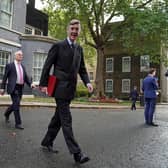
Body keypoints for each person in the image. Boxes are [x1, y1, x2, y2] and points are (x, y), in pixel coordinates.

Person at [39, 19, 93, 164]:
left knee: (58, 118)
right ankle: (77, 153)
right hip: (60, 88)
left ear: (79, 31)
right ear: (67, 30)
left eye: (77, 29)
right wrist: (43, 84)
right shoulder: (58, 46)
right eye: (72, 28)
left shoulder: (79, 49)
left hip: (71, 89)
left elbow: (81, 69)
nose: (74, 31)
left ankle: (46, 141)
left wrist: (87, 82)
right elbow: (47, 65)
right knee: (66, 120)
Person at [0, 50, 35, 130]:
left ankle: (6, 113)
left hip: (20, 88)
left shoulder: (22, 66)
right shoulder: (10, 65)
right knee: (17, 104)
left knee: (16, 104)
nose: (20, 56)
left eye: (21, 55)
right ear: (15, 56)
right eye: (19, 55)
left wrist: (30, 84)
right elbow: (5, 77)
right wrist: (2, 88)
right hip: (13, 87)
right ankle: (18, 123)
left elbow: (25, 78)